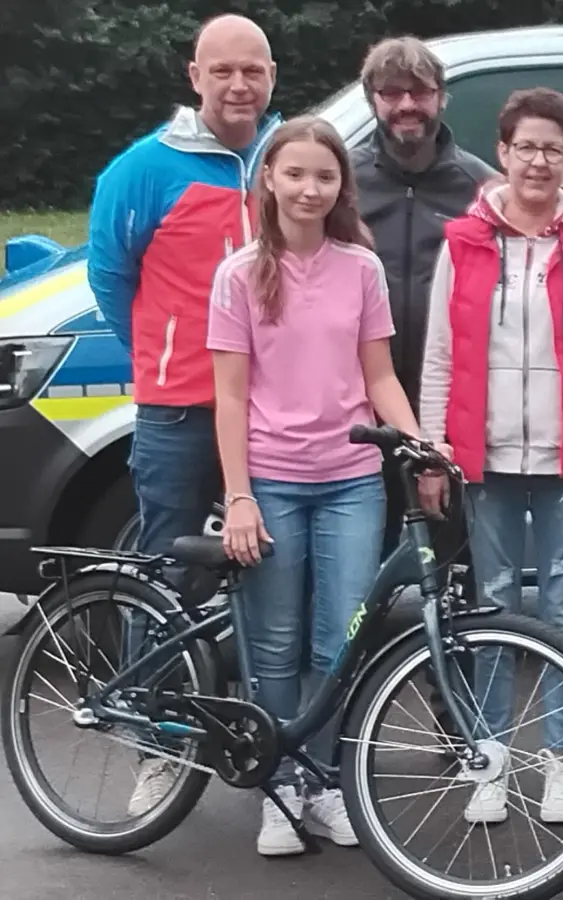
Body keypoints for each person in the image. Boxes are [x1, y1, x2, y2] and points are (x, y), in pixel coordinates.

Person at [416, 87, 563, 827]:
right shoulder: (464, 241)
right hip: (485, 461)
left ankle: (558, 766)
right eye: (525, 147)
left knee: (561, 618)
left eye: (552, 148)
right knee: (493, 610)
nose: (538, 160)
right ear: (502, 153)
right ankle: (489, 761)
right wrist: (430, 451)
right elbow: (440, 356)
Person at [207, 115, 423, 857]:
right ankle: (278, 791)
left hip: (352, 481)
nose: (309, 188)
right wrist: (239, 495)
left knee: (340, 641)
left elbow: (379, 376)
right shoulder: (237, 275)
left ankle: (323, 781)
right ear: (268, 178)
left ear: (340, 187)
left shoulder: (360, 269)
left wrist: (420, 442)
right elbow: (230, 397)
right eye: (294, 173)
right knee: (273, 644)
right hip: (272, 480)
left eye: (323, 177)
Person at [84, 12, 282, 818]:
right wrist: (169, 356)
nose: (240, 85)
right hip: (178, 412)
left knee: (275, 578)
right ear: (195, 76)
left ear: (273, 77)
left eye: (254, 71)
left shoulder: (288, 160)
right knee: (170, 577)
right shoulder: (141, 171)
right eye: (224, 71)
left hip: (275, 410)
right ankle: (155, 745)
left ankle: (272, 748)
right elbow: (111, 277)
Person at [349, 36, 496, 566]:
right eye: (392, 92)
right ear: (372, 99)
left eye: (421, 91)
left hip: (451, 410)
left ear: (442, 97)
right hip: (361, 409)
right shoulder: (341, 183)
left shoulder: (482, 187)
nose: (407, 105)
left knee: (460, 566)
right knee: (358, 570)